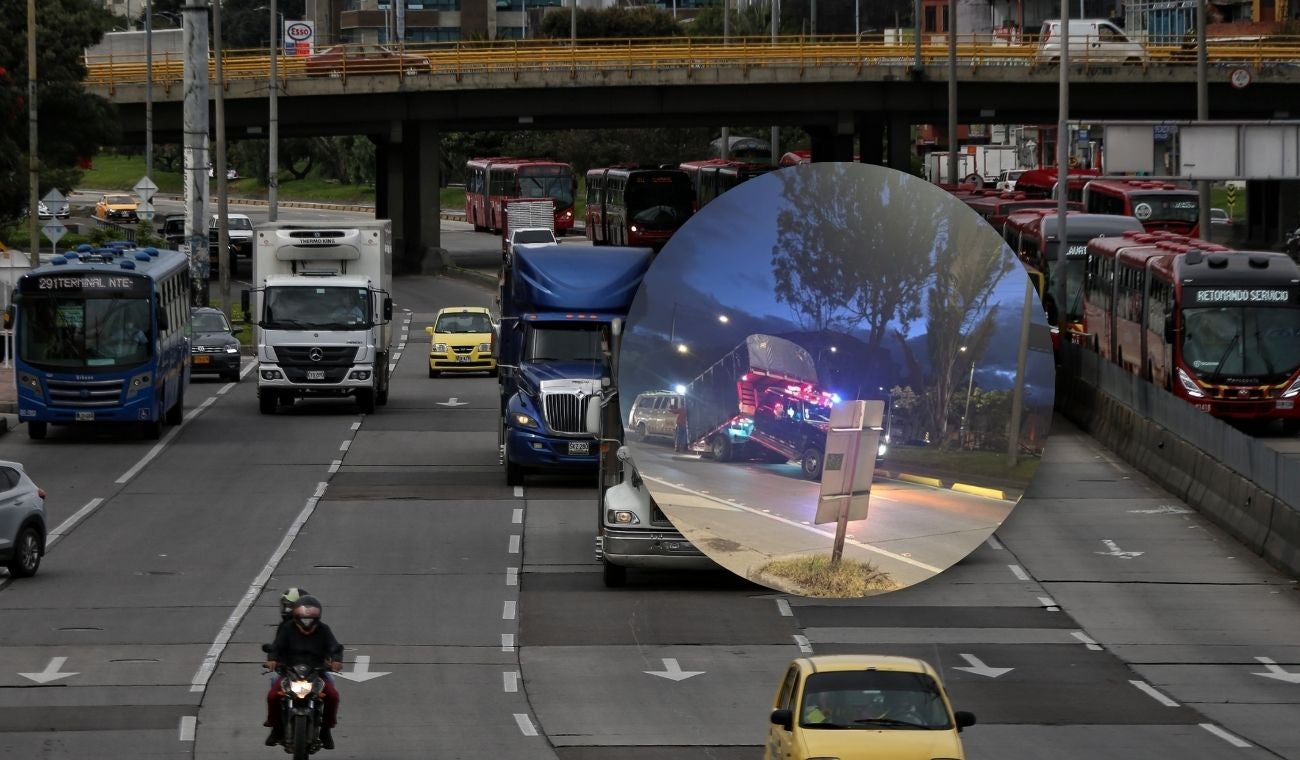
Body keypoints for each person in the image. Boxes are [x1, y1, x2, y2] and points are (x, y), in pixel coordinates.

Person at [264, 596, 344, 750]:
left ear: (317, 619)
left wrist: (336, 660)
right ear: (296, 618)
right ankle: (276, 729)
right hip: (290, 672)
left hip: (317, 673)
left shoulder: (324, 630)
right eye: (303, 620)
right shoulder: (287, 629)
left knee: (333, 696)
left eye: (310, 620)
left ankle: (326, 731)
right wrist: (272, 659)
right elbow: (276, 647)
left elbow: (335, 647)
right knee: (273, 696)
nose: (307, 624)